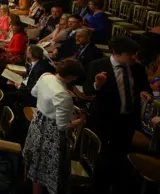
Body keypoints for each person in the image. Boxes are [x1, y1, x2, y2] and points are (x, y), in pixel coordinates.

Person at [83, 36, 153, 192]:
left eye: (135, 53)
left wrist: (146, 93)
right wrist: (97, 85)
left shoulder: (137, 68)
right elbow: (87, 90)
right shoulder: (98, 65)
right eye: (130, 54)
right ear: (116, 53)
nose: (135, 57)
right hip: (104, 122)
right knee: (102, 163)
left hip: (127, 122)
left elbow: (145, 87)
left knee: (120, 161)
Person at [23, 59, 86, 194]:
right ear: (71, 77)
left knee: (36, 163)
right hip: (52, 134)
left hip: (37, 123)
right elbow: (63, 125)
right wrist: (81, 120)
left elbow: (34, 93)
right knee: (48, 168)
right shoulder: (63, 95)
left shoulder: (45, 76)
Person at [3, 45, 54, 110]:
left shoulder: (39, 70)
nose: (26, 52)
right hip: (25, 81)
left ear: (31, 55)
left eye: (28, 52)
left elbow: (33, 88)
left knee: (7, 96)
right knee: (5, 75)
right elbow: (29, 74)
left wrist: (19, 86)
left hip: (29, 93)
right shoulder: (37, 62)